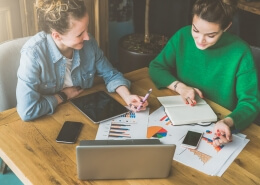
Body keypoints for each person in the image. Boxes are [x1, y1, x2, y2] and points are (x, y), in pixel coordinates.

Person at [149, 0, 260, 146]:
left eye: (211, 35)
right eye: (195, 30)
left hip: (218, 125)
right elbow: (156, 67)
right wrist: (181, 87)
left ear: (226, 27)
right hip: (183, 116)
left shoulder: (240, 52)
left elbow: (250, 102)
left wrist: (227, 122)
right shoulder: (182, 36)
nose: (200, 40)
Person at [16, 0, 148, 121]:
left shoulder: (89, 45)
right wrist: (62, 96)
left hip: (84, 111)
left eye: (86, 29)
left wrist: (128, 97)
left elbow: (111, 75)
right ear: (57, 36)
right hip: (49, 119)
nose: (87, 37)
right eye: (80, 34)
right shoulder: (33, 55)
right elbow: (27, 110)